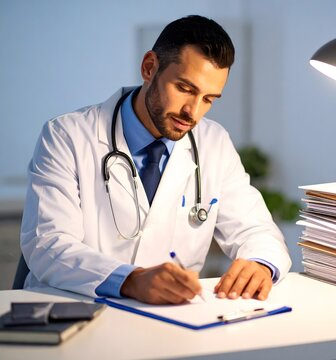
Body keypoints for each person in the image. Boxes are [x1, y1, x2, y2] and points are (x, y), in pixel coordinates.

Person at [20, 15, 291, 305]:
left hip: (171, 320)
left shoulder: (214, 142)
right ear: (150, 68)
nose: (193, 112)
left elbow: (256, 229)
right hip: (76, 310)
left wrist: (260, 263)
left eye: (209, 99)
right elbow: (47, 244)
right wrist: (130, 279)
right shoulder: (67, 135)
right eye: (185, 88)